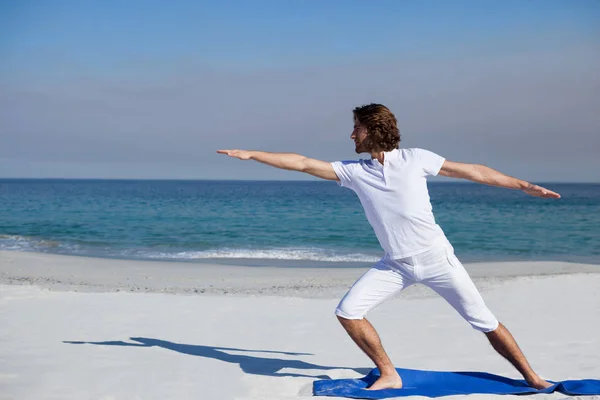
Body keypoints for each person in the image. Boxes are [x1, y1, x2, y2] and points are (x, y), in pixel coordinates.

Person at [217, 103, 560, 391]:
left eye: (357, 128)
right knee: (348, 311)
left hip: (438, 260)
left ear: (374, 129)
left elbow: (474, 172)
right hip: (395, 265)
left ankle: (533, 378)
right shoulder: (353, 172)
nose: (352, 135)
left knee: (485, 321)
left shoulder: (416, 159)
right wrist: (253, 154)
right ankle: (388, 373)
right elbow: (304, 162)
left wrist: (523, 185)